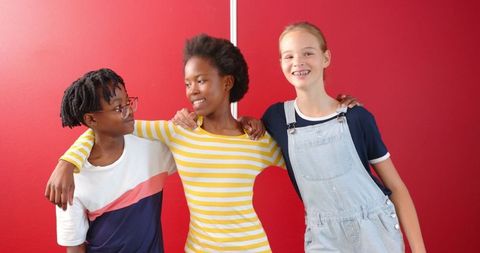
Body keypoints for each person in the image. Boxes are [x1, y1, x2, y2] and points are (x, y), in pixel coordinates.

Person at [174, 22, 427, 252]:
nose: (298, 62)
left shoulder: (356, 117)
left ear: (325, 57)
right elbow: (240, 135)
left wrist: (419, 250)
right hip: (323, 235)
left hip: (375, 229)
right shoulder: (276, 118)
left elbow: (396, 188)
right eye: (289, 56)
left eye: (308, 53)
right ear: (281, 63)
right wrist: (242, 119)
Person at [48, 35, 286, 252]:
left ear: (227, 83)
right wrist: (67, 162)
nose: (192, 90)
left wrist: (258, 123)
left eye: (200, 80)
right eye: (187, 83)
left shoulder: (256, 139)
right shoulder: (178, 133)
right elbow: (104, 130)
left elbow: (299, 162)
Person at [54, 68, 175, 253]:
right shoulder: (71, 180)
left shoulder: (152, 150)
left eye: (128, 102)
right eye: (119, 108)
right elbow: (75, 247)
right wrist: (66, 163)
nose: (129, 111)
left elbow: (198, 144)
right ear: (91, 119)